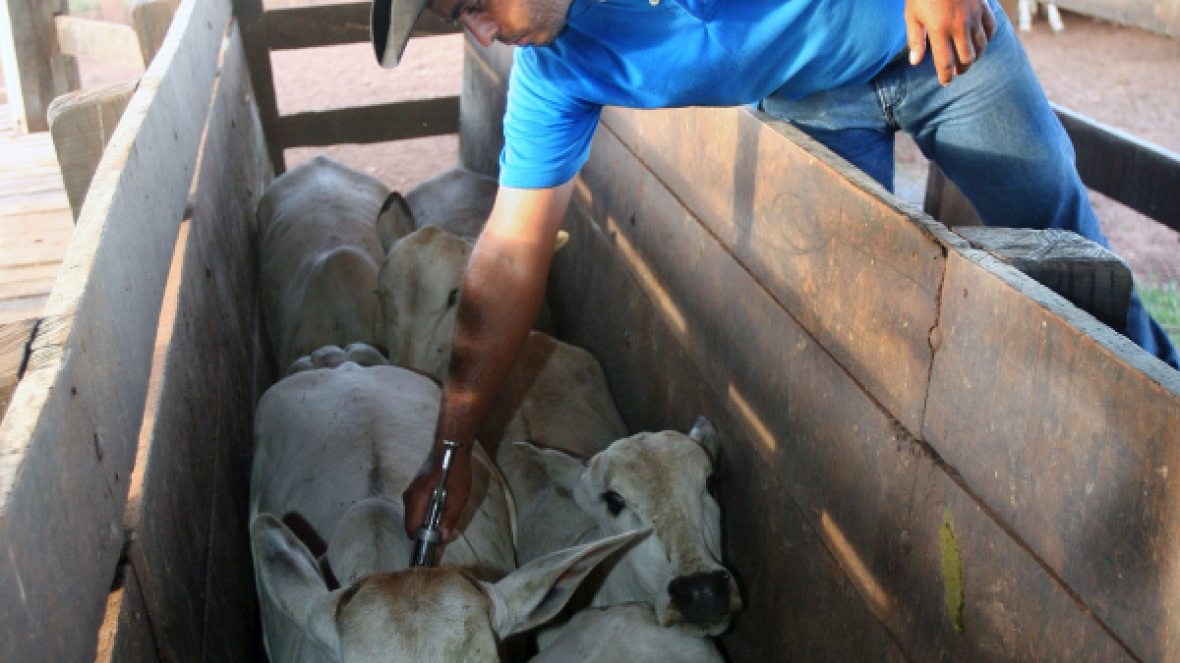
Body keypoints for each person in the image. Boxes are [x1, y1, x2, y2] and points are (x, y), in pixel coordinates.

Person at [369, 0, 1180, 540]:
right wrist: (453, 448)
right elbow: (511, 251)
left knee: (1078, 270)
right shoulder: (559, 71)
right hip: (812, 109)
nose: (482, 32)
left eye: (471, 0)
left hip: (937, 45)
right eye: (458, 18)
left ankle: (1167, 464)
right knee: (876, 337)